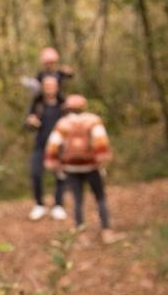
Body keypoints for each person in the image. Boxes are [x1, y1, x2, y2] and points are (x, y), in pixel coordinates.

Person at [44, 94, 120, 244]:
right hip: (91, 166)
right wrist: (102, 162)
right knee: (100, 198)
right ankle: (106, 231)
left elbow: (52, 145)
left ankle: (81, 235)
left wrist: (54, 164)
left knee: (77, 200)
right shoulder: (93, 120)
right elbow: (101, 143)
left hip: (71, 168)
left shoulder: (63, 123)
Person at [25, 75, 67, 220]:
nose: (49, 88)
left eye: (52, 85)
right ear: (43, 88)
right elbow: (28, 125)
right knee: (36, 174)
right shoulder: (37, 104)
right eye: (47, 86)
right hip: (40, 145)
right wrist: (31, 123)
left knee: (60, 176)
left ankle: (58, 205)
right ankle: (39, 205)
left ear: (57, 87)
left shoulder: (63, 104)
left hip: (59, 147)